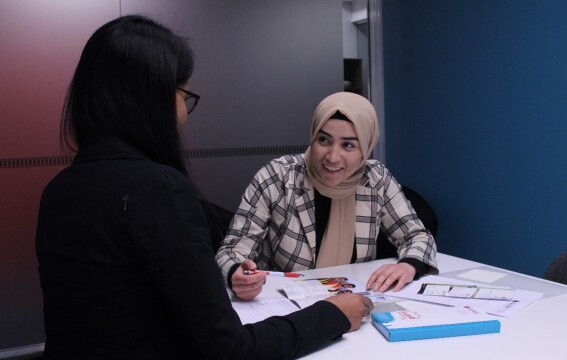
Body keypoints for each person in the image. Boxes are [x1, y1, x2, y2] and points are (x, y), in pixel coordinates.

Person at [35, 15, 373, 360]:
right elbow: (229, 346)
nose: (334, 157)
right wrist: (332, 315)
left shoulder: (59, 189)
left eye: (350, 145)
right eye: (183, 95)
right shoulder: (166, 188)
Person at [216, 92, 439, 301]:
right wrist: (236, 272)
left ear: (366, 147)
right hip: (284, 304)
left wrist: (409, 265)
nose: (333, 157)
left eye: (348, 145)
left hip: (354, 302)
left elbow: (418, 236)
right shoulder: (278, 177)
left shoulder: (376, 179)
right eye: (324, 140)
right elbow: (231, 250)